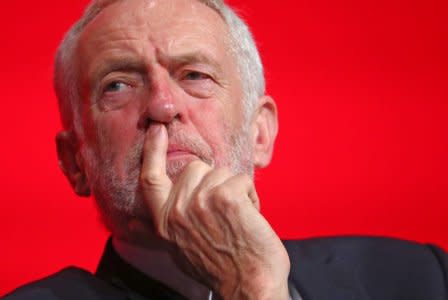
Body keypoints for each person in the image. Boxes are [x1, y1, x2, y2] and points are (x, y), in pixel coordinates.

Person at [4, 0, 447, 299]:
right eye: (118, 85)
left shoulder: (420, 278)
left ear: (260, 134)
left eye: (195, 75)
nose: (162, 105)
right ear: (74, 163)